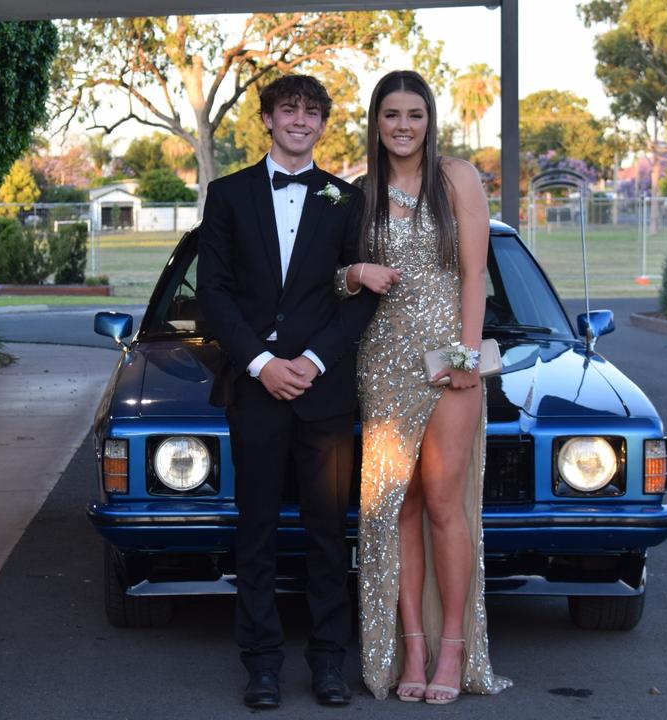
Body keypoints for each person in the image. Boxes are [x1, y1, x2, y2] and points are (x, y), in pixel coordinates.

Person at [197, 74, 377, 710]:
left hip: (323, 394)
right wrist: (260, 363)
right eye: (287, 110)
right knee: (257, 530)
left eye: (311, 112)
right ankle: (262, 664)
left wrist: (314, 361)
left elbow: (359, 298)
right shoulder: (226, 195)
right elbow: (212, 293)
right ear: (267, 120)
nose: (299, 120)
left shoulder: (346, 199)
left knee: (330, 531)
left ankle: (329, 663)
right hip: (255, 390)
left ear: (323, 125)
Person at [335, 70, 512, 704]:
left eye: (414, 114)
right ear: (376, 123)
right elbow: (332, 280)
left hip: (449, 362)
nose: (403, 125)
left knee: (443, 503)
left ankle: (454, 649)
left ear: (430, 121)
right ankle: (411, 644)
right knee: (396, 507)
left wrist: (466, 354)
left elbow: (475, 276)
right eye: (391, 115)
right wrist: (353, 272)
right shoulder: (362, 193)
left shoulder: (457, 178)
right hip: (382, 363)